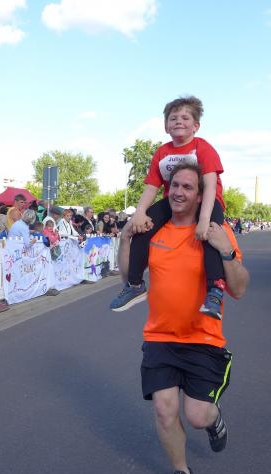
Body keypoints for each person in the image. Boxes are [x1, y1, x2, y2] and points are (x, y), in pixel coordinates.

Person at [117, 162, 249, 474]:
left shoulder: (215, 231)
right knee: (164, 409)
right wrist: (125, 238)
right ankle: (181, 472)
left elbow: (239, 289)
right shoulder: (154, 230)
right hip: (160, 338)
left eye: (188, 187)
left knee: (197, 415)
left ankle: (214, 419)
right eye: (174, 185)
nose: (178, 192)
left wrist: (226, 251)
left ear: (201, 196)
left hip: (203, 340)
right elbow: (127, 277)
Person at [111, 96, 227, 319]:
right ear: (166, 126)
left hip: (206, 199)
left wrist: (204, 220)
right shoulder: (162, 152)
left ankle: (215, 290)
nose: (178, 121)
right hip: (174, 201)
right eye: (173, 118)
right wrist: (140, 213)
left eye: (185, 118)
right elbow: (151, 187)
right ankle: (135, 285)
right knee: (141, 228)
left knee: (210, 235)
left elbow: (211, 185)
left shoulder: (203, 148)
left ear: (196, 126)